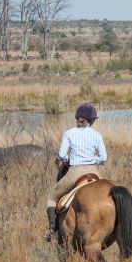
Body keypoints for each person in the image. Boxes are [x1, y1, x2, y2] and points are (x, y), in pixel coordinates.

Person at [44, 103, 107, 242]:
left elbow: (61, 155)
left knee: (52, 197)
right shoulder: (96, 135)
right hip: (94, 171)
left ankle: (52, 230)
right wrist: (93, 159)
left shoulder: (69, 133)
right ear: (92, 120)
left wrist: (69, 159)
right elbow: (103, 157)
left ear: (78, 119)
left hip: (75, 171)